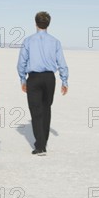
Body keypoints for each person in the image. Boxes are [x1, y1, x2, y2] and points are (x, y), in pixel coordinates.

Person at [17, 11, 68, 156]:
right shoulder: (55, 41)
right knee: (46, 108)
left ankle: (40, 145)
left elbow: (21, 62)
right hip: (49, 78)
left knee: (36, 110)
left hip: (33, 78)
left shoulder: (28, 41)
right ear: (48, 24)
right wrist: (64, 80)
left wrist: (22, 79)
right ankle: (42, 142)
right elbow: (62, 63)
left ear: (35, 23)